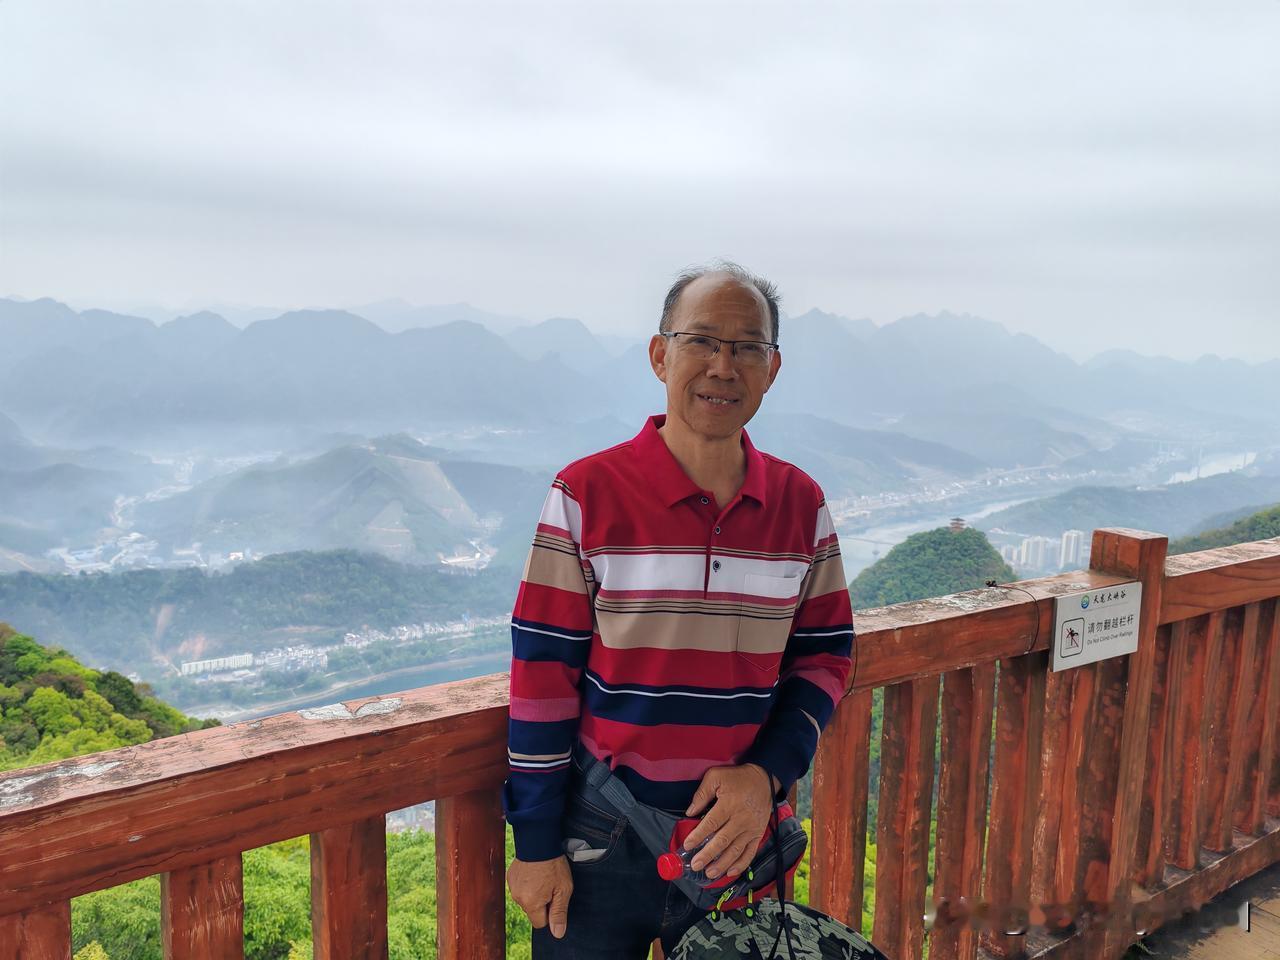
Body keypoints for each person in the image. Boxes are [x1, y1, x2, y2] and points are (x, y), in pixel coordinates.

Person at [504, 262, 855, 957]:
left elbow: (826, 655)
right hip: (597, 838)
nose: (723, 366)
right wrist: (536, 845)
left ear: (772, 368)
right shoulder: (585, 494)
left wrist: (766, 773)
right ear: (660, 354)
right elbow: (542, 677)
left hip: (736, 839)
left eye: (747, 347)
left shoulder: (799, 504)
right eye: (702, 341)